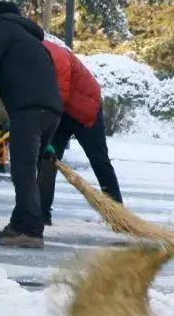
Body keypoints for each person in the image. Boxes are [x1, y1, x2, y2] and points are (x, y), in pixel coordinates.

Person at [0, 1, 62, 249]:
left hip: (28, 110)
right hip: (52, 111)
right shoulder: (33, 40)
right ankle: (19, 224)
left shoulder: (1, 27)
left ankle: (32, 231)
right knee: (28, 170)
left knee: (22, 170)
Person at [35, 36, 123, 226]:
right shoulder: (32, 57)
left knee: (99, 160)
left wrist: (43, 124)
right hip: (62, 111)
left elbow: (60, 93)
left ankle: (118, 214)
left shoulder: (57, 55)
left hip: (85, 109)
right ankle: (41, 214)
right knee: (48, 159)